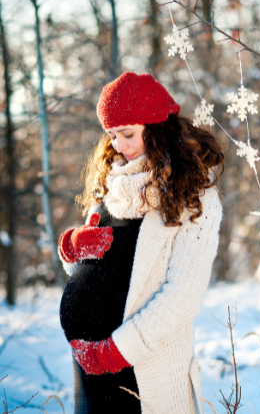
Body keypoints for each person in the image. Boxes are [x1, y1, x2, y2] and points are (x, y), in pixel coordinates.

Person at [58, 72, 224, 414]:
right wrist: (72, 248)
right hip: (91, 366)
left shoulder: (196, 196)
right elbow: (92, 271)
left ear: (158, 128)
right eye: (112, 135)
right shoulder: (112, 183)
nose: (119, 146)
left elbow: (182, 295)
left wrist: (114, 352)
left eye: (128, 134)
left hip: (145, 368)